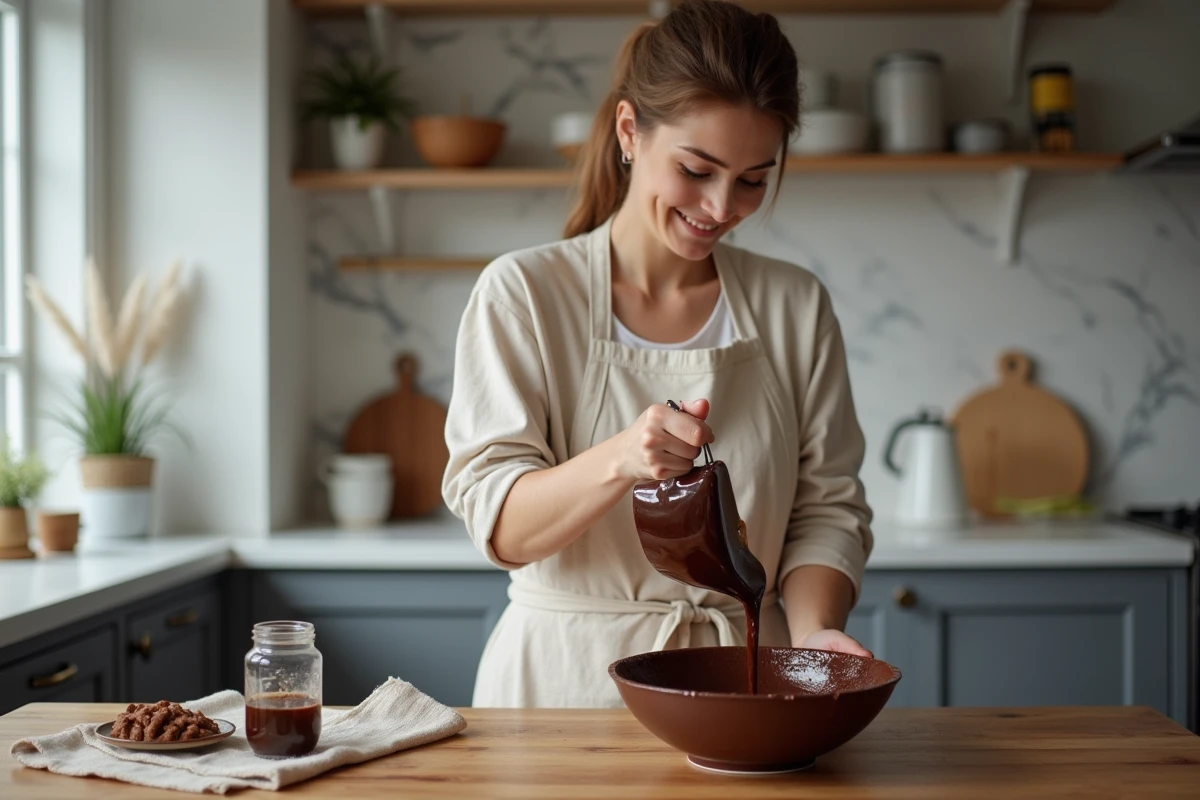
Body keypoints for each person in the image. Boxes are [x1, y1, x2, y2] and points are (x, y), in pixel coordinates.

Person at [442, 0, 873, 709]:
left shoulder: (796, 307)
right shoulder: (523, 293)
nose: (720, 206)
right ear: (629, 131)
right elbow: (502, 526)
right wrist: (623, 458)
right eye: (697, 169)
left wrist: (816, 630)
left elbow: (827, 508)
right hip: (561, 694)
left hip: (746, 687)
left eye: (753, 179)